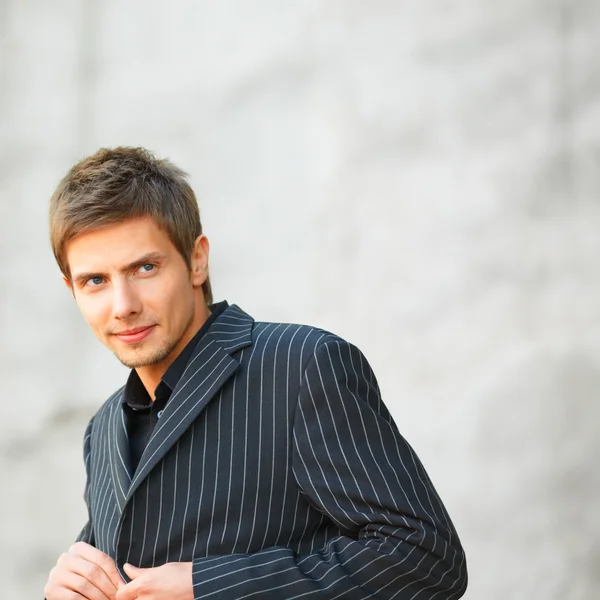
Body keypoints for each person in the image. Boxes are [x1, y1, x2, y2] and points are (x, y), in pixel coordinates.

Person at [44, 146, 467, 600]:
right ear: (72, 290)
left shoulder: (303, 366)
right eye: (95, 281)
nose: (123, 305)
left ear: (197, 260)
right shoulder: (103, 429)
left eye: (145, 267)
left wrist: (207, 587)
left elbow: (425, 556)